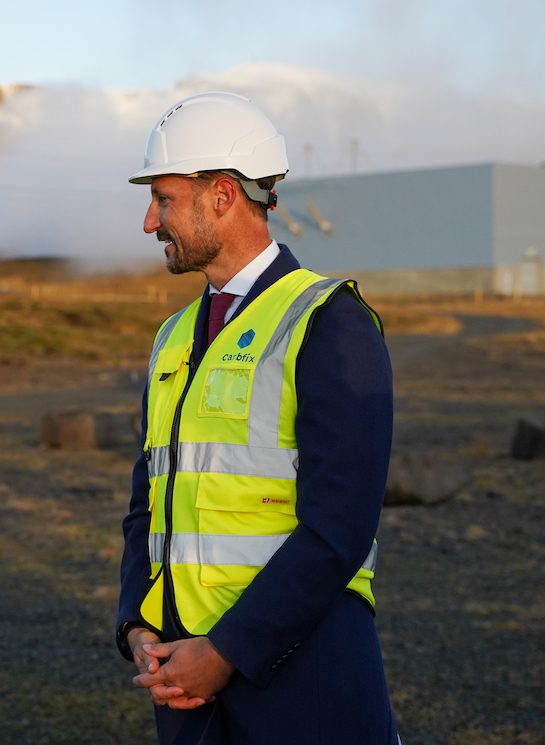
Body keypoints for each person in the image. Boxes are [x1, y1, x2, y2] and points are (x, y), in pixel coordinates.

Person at [115, 92, 400, 744]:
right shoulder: (173, 336)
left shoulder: (330, 322)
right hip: (184, 675)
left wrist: (226, 652)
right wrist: (136, 620)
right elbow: (146, 501)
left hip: (301, 674)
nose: (148, 221)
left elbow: (339, 526)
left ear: (221, 195)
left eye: (162, 199)